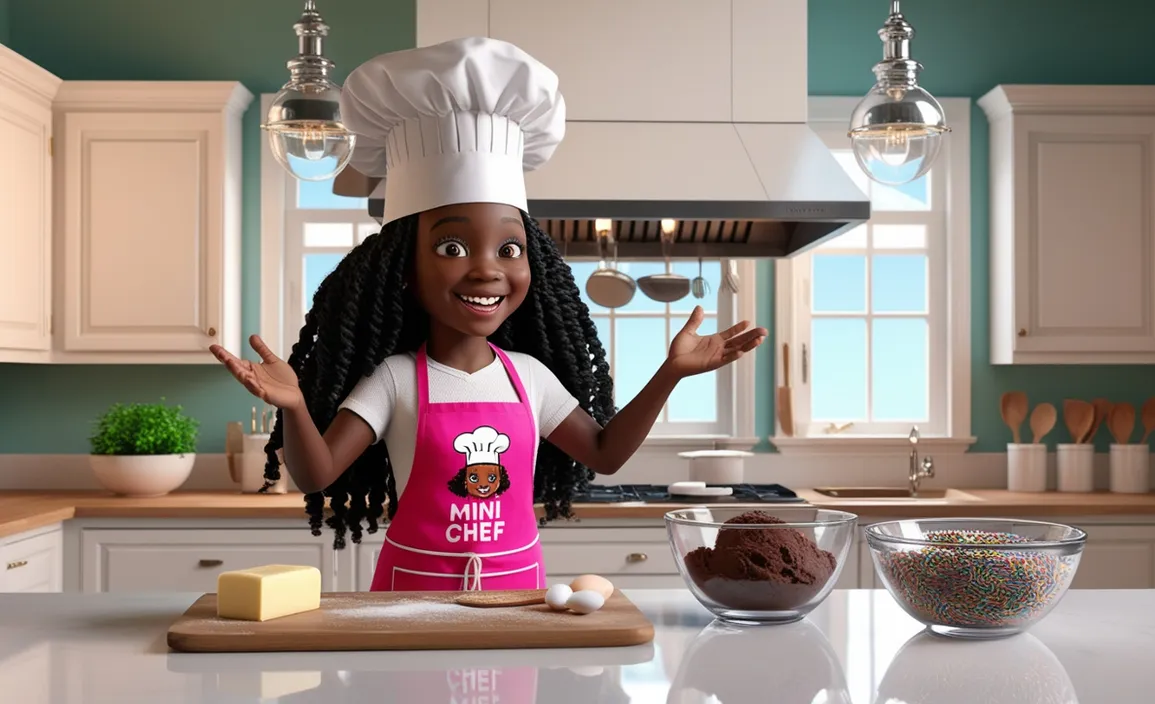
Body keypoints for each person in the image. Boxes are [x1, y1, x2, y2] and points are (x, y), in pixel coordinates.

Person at [210, 37, 766, 591]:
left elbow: (605, 455)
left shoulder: (529, 377)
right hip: (413, 597)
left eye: (509, 248)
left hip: (517, 593)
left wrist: (670, 373)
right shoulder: (396, 379)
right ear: (405, 269)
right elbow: (318, 474)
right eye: (452, 248)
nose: (487, 271)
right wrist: (296, 407)